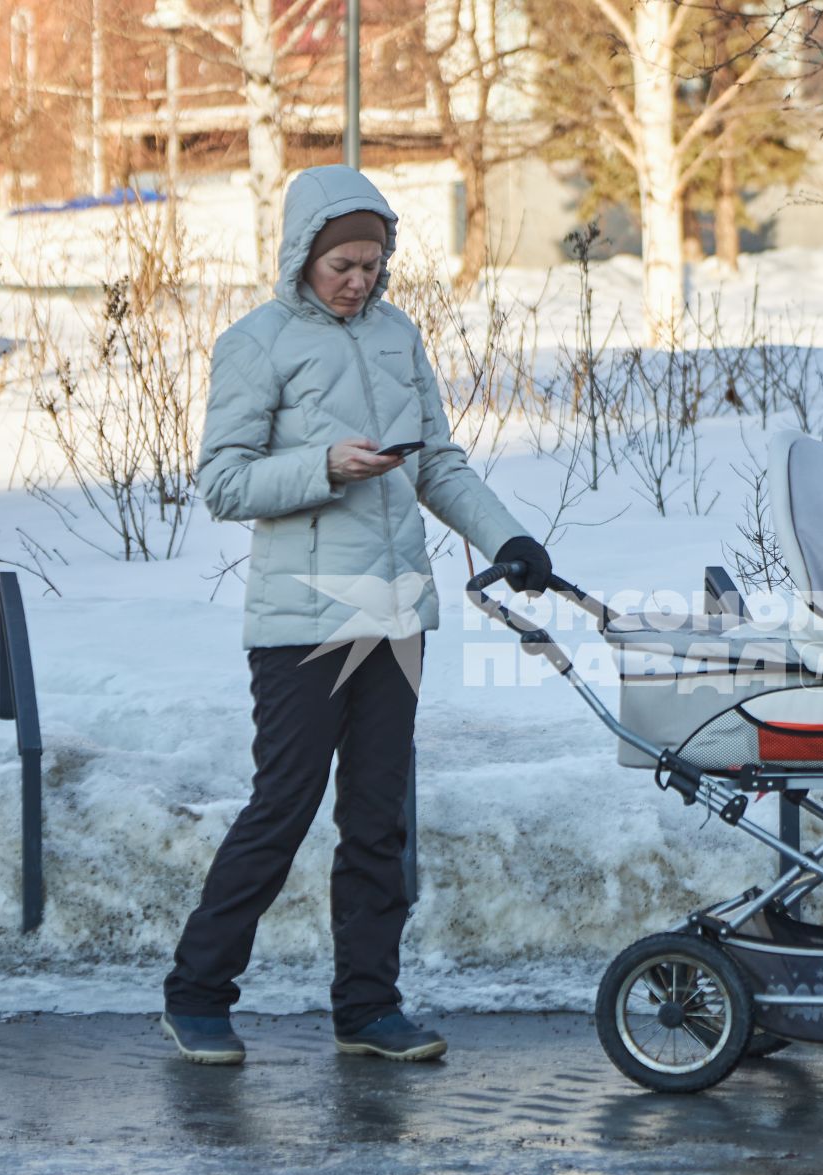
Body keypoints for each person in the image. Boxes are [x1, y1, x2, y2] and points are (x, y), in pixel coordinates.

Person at [160, 165, 553, 1067]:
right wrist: (322, 466)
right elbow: (221, 481)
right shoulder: (256, 343)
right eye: (342, 262)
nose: (359, 280)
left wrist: (511, 539)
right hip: (302, 620)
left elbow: (438, 463)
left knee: (379, 819)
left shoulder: (394, 336)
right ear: (303, 254)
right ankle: (197, 994)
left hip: (395, 614)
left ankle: (368, 1009)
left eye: (372, 263)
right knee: (284, 808)